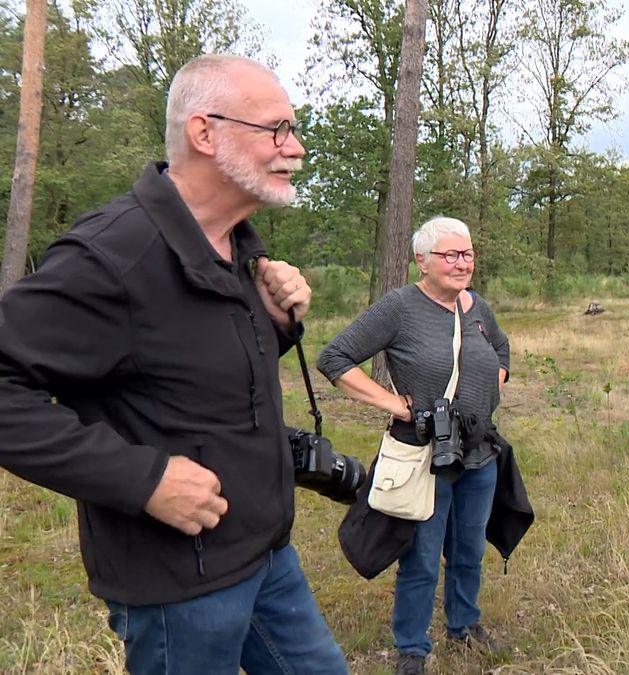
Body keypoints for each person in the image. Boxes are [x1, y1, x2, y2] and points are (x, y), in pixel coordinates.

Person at [0, 55, 348, 673]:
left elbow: (191, 370)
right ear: (204, 132)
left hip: (266, 556)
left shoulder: (236, 246)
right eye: (277, 129)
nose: (295, 148)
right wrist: (143, 478)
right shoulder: (112, 255)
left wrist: (274, 326)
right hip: (177, 586)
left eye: (294, 130)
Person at [318, 216, 512, 675]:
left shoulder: (478, 308)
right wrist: (395, 405)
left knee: (469, 550)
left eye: (467, 254)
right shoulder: (400, 308)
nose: (462, 263)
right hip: (425, 456)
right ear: (422, 261)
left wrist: (489, 388)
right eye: (450, 255)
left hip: (478, 453)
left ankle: (464, 626)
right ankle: (412, 648)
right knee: (422, 556)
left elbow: (502, 352)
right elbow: (335, 357)